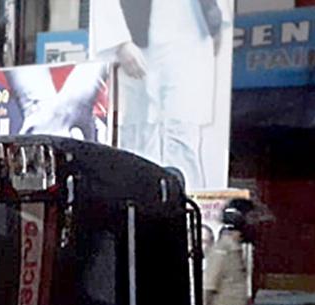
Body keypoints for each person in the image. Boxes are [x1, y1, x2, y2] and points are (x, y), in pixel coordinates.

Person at [93, 0, 225, 190]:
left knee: (184, 127)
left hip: (190, 30)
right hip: (139, 35)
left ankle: (186, 198)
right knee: (139, 130)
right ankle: (142, 197)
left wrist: (215, 23)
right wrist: (119, 42)